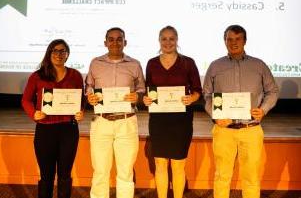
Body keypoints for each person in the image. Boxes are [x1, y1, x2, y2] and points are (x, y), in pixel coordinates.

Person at [203, 24, 279, 198]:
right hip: (223, 130)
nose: (233, 43)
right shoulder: (215, 66)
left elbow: (272, 91)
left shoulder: (259, 65)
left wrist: (263, 109)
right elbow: (207, 95)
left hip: (250, 129)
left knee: (251, 178)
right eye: (229, 39)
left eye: (238, 39)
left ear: (245, 41)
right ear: (224, 41)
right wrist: (215, 116)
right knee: (222, 176)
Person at [85, 27, 145, 198]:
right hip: (101, 122)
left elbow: (142, 90)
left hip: (126, 122)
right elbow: (89, 87)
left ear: (125, 42)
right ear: (105, 43)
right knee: (100, 172)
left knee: (125, 173)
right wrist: (90, 96)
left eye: (119, 39)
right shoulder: (95, 63)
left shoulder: (135, 64)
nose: (115, 42)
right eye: (111, 39)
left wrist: (138, 96)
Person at [143, 25, 202, 198]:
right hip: (159, 121)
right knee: (160, 163)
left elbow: (198, 90)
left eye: (171, 38)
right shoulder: (151, 63)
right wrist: (146, 99)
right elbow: (149, 90)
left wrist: (192, 98)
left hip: (181, 121)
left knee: (178, 164)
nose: (168, 42)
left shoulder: (188, 62)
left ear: (177, 40)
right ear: (159, 41)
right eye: (164, 39)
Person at [22, 39, 84, 198]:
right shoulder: (37, 76)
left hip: (68, 130)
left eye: (62, 51)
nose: (59, 54)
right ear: (49, 53)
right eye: (55, 51)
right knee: (47, 176)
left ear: (67, 54)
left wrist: (80, 111)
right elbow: (26, 100)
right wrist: (33, 113)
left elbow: (80, 100)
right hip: (45, 129)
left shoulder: (75, 75)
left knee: (64, 175)